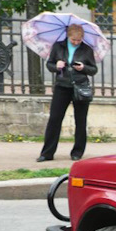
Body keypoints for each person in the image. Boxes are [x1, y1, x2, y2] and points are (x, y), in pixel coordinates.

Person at [36, 24, 98, 162]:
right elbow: (49, 65)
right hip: (62, 86)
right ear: (68, 36)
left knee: (80, 121)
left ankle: (77, 152)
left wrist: (83, 68)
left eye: (79, 40)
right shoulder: (58, 46)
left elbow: (93, 69)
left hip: (80, 87)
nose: (76, 42)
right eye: (73, 40)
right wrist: (56, 66)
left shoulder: (87, 49)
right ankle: (47, 153)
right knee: (54, 119)